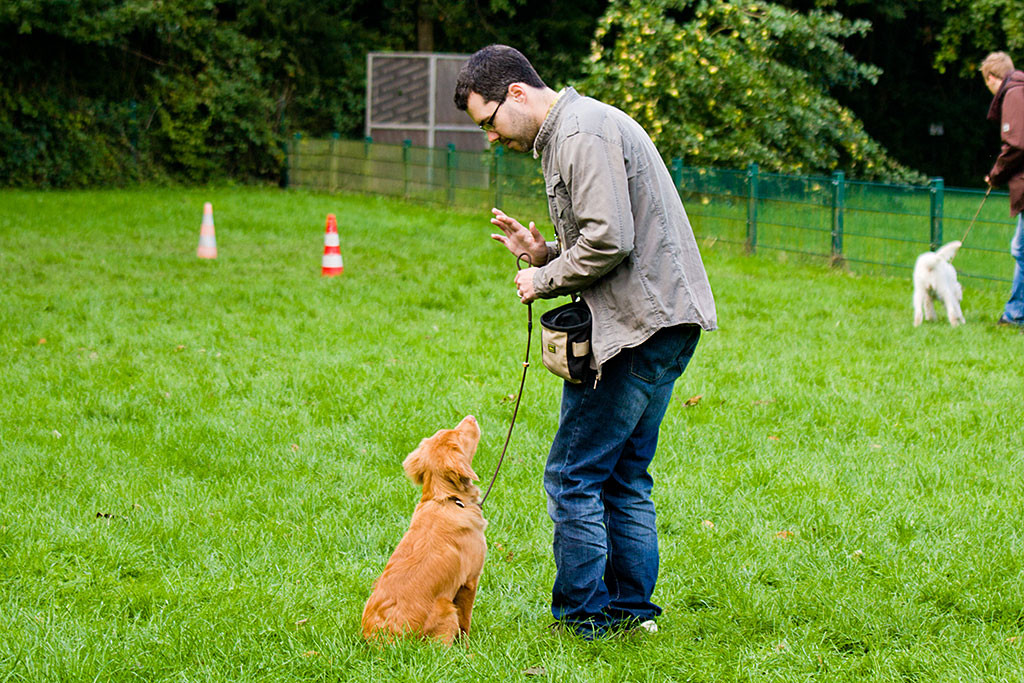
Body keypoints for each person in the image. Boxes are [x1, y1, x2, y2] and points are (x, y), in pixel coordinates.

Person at [454, 45, 717, 639]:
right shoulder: (582, 127)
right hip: (664, 322)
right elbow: (606, 237)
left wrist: (540, 278)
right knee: (625, 475)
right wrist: (545, 251)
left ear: (516, 93)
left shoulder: (579, 132)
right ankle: (631, 614)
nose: (492, 138)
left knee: (573, 475)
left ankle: (584, 619)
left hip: (636, 330)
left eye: (488, 122)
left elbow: (608, 242)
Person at [981, 51, 1024, 327]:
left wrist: (995, 175)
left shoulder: (1013, 94)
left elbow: (1016, 145)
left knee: (1021, 249)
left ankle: (1015, 314)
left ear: (992, 78)